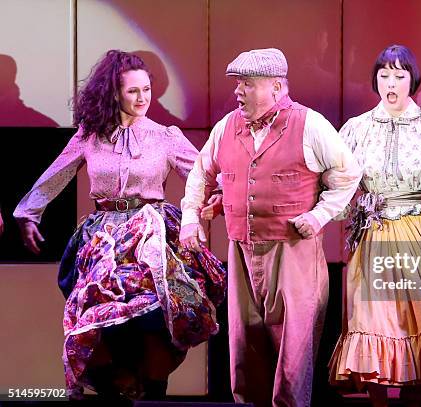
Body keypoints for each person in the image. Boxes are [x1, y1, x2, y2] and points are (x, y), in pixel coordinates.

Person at [13, 50, 226, 400]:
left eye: (147, 90)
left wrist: (221, 199)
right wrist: (28, 214)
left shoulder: (165, 136)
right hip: (104, 236)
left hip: (150, 231)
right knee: (100, 319)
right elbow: (56, 174)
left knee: (155, 318)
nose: (143, 98)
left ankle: (153, 387)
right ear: (115, 93)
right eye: (133, 92)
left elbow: (203, 176)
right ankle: (117, 386)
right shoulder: (91, 135)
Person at [179, 48, 361, 407]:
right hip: (242, 250)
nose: (238, 92)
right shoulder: (226, 127)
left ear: (276, 87)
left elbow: (348, 175)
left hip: (292, 250)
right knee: (245, 346)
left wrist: (319, 214)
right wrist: (190, 219)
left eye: (247, 84)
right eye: (238, 84)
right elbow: (200, 175)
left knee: (293, 349)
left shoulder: (310, 124)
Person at [327, 44, 421, 407]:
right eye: (384, 75)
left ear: (413, 80)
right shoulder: (356, 128)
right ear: (375, 80)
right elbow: (334, 179)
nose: (391, 82)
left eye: (399, 75)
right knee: (373, 321)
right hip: (375, 232)